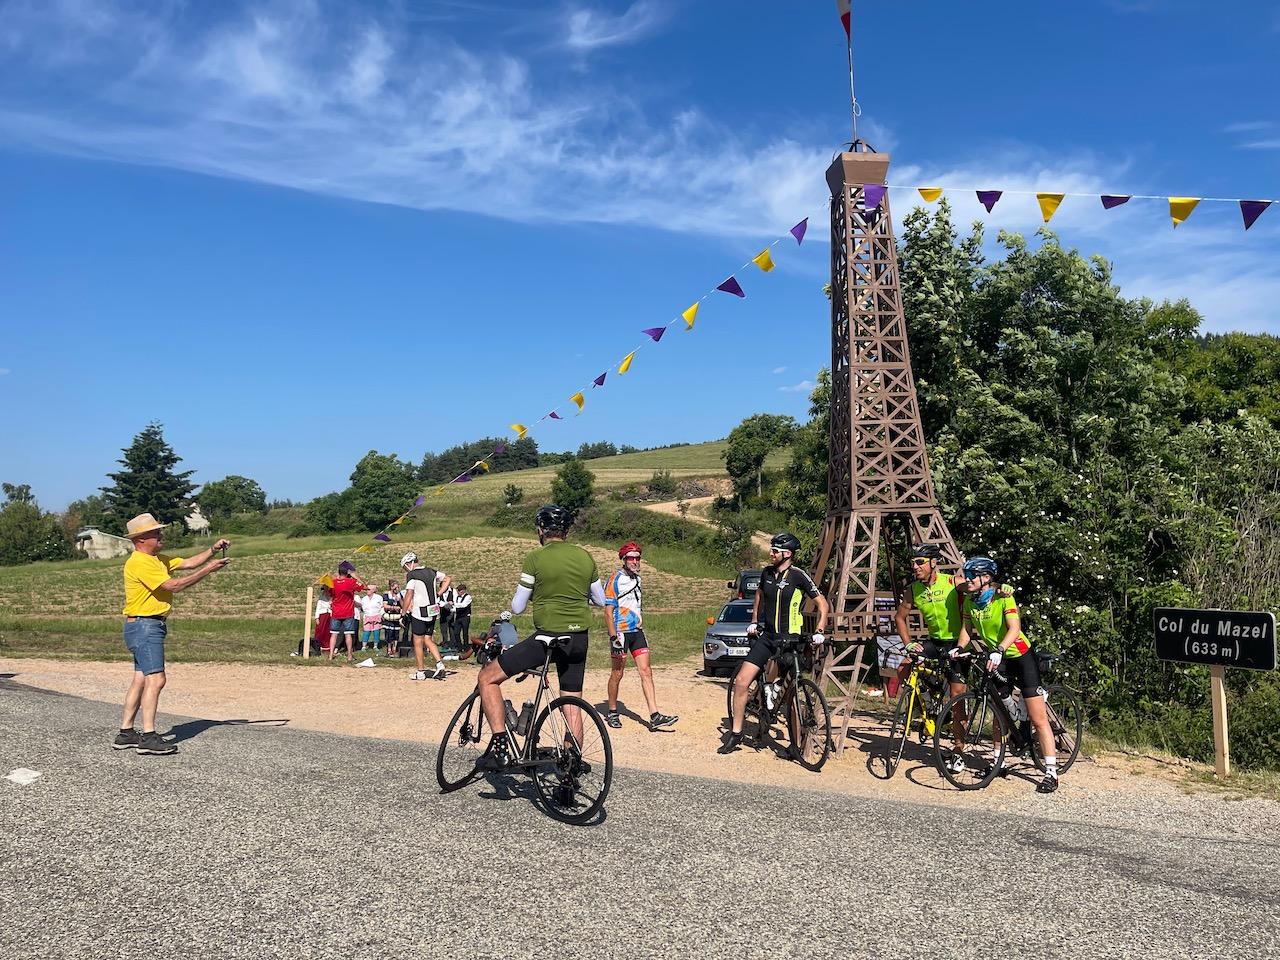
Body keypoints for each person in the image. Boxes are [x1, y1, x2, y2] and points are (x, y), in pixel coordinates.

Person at [476, 505, 606, 794]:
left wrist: (539, 592)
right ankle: (570, 769)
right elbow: (600, 599)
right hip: (579, 639)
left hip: (548, 636)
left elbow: (518, 606)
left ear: (540, 531)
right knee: (572, 702)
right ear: (567, 531)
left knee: (487, 677)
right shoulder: (585, 557)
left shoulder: (535, 558)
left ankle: (499, 746)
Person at [114, 513, 231, 756]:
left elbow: (188, 562)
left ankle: (126, 733)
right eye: (155, 532)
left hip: (141, 625)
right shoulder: (140, 562)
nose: (160, 535)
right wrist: (208, 570)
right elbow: (173, 586)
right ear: (141, 539)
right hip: (146, 626)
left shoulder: (155, 559)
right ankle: (148, 736)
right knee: (157, 679)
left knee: (140, 678)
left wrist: (211, 549)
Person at [953, 556, 1061, 795]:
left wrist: (1000, 650)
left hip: (1020, 656)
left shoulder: (1003, 597)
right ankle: (997, 762)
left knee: (1037, 717)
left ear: (986, 578)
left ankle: (1051, 773)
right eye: (967, 574)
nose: (968, 579)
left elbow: (1014, 628)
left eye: (972, 575)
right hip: (997, 657)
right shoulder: (971, 602)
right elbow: (966, 631)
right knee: (999, 711)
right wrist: (960, 649)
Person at [721, 532, 829, 754]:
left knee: (792, 693)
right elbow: (759, 594)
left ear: (787, 554)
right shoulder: (767, 573)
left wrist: (819, 631)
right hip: (768, 637)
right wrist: (754, 621)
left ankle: (794, 744)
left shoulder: (799, 576)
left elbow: (823, 604)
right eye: (771, 549)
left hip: (791, 639)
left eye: (775, 551)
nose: (770, 553)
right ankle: (737, 733)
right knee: (742, 681)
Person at [603, 541, 677, 731]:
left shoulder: (638, 579)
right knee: (617, 674)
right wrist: (613, 638)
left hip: (637, 632)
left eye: (637, 558)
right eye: (631, 558)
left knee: (646, 671)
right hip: (620, 632)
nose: (635, 561)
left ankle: (655, 715)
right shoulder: (615, 579)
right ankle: (612, 711)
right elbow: (608, 612)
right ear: (624, 559)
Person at [401, 552, 450, 680]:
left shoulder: (412, 575)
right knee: (428, 639)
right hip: (433, 609)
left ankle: (420, 672)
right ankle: (439, 664)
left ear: (409, 563)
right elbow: (447, 579)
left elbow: (409, 594)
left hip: (420, 611)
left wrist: (403, 612)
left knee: (417, 641)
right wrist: (438, 593)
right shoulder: (431, 571)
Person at [328, 561, 366, 662]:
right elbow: (364, 587)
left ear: (339, 572)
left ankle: (331, 655)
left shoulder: (333, 583)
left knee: (334, 634)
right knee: (348, 634)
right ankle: (349, 655)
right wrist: (355, 577)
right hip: (348, 612)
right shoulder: (350, 582)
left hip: (336, 612)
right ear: (347, 573)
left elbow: (330, 593)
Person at [381, 580, 403, 657]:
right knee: (389, 633)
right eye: (395, 587)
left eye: (397, 587)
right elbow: (385, 606)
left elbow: (403, 605)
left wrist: (399, 599)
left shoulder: (399, 595)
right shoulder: (387, 595)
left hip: (396, 617)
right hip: (389, 616)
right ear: (391, 587)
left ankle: (395, 648)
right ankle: (389, 649)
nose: (397, 589)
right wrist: (393, 607)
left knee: (396, 634)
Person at [360, 585, 383, 652]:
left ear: (373, 590)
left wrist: (380, 615)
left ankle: (375, 646)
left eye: (369, 589)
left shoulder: (379, 597)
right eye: (367, 589)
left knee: (376, 631)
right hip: (367, 616)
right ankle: (364, 646)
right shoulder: (364, 598)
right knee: (366, 631)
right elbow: (362, 607)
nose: (367, 591)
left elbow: (381, 607)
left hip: (376, 615)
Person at [450, 583, 473, 650]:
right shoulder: (457, 597)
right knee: (456, 633)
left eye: (459, 591)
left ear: (463, 591)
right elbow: (455, 608)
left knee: (465, 633)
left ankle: (466, 647)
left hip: (465, 617)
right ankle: (459, 647)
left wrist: (454, 604)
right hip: (458, 617)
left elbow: (463, 605)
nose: (458, 592)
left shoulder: (468, 597)